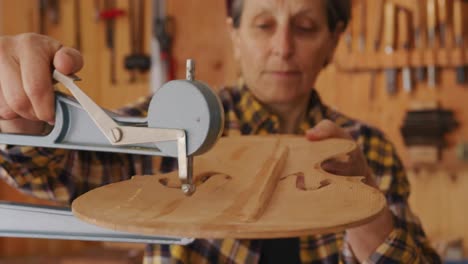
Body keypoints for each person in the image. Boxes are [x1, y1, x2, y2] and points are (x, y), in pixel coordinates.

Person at [0, 0, 441, 263]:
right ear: (234, 34)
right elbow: (52, 171)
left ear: (334, 39)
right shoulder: (171, 124)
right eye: (264, 25)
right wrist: (22, 118)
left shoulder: (370, 150)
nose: (282, 48)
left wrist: (363, 213)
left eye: (305, 28)